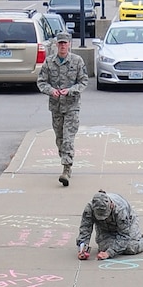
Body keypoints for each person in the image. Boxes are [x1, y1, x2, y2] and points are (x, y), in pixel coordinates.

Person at [36, 31, 87, 185]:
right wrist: (52, 91)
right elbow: (41, 82)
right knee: (59, 138)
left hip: (72, 106)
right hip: (56, 107)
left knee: (68, 138)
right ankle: (65, 159)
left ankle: (66, 168)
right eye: (60, 43)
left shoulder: (77, 61)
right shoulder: (49, 62)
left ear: (69, 44)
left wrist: (70, 90)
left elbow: (83, 81)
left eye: (65, 43)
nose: (63, 46)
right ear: (57, 45)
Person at [76, 189, 143, 260]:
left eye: (105, 216)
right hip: (104, 227)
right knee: (104, 248)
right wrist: (83, 248)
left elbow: (124, 235)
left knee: (132, 248)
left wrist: (109, 253)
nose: (104, 218)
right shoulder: (89, 208)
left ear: (111, 205)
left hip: (128, 223)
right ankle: (113, 244)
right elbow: (85, 228)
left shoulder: (121, 210)